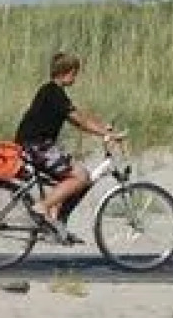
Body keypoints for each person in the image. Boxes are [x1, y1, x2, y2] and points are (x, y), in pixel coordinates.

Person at [15, 51, 124, 243]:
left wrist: (102, 129)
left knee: (80, 177)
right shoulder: (53, 93)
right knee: (81, 176)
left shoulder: (52, 92)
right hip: (36, 146)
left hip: (38, 145)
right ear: (68, 72)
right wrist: (106, 135)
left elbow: (77, 119)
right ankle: (42, 207)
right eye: (76, 73)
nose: (76, 77)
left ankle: (58, 222)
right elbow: (79, 120)